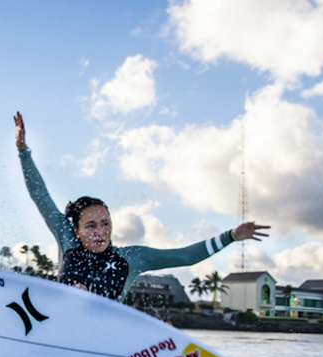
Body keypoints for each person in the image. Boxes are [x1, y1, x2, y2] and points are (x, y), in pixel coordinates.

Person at [14, 111, 269, 301]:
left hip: (103, 338)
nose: (100, 231)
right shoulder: (66, 237)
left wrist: (232, 236)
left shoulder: (132, 258)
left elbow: (185, 256)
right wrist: (23, 150)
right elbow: (41, 195)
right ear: (77, 230)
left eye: (105, 224)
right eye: (91, 225)